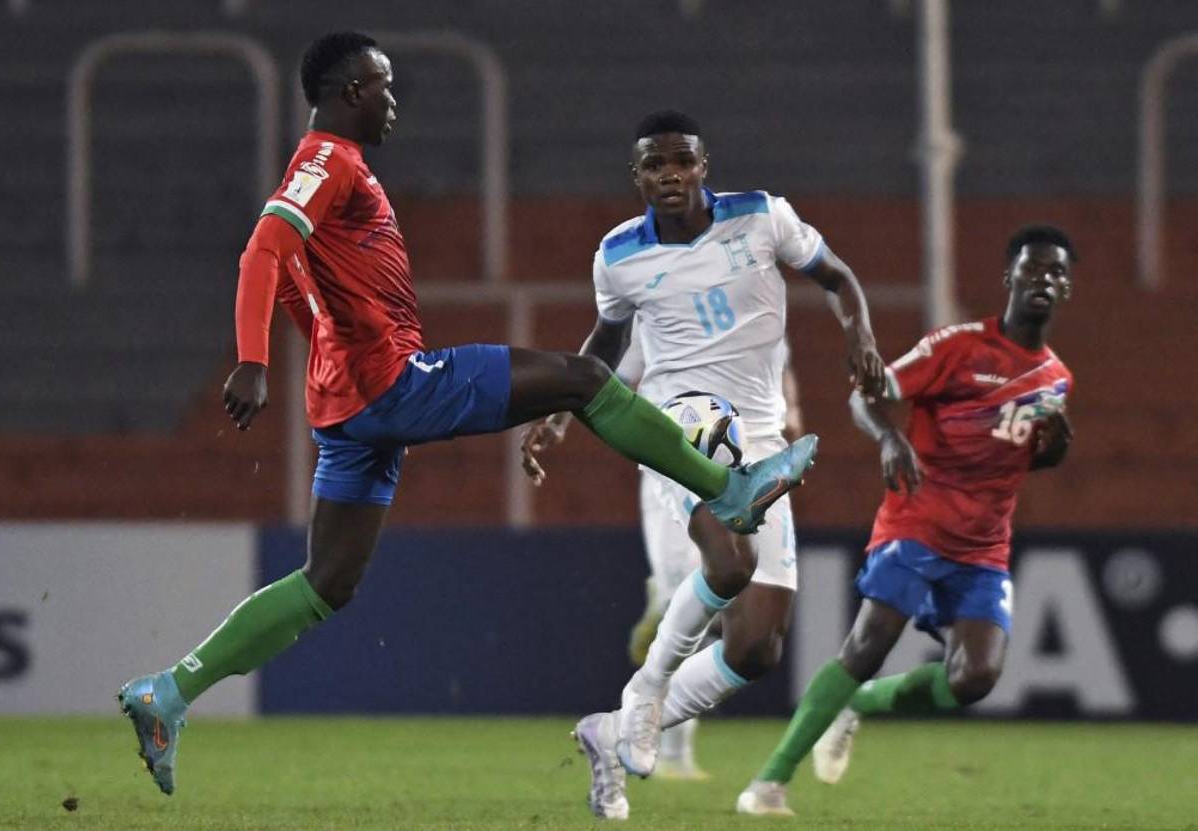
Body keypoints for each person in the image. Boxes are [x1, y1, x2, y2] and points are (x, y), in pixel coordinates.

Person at [115, 33, 815, 797]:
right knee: (583, 377)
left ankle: (169, 693)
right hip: (390, 383)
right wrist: (251, 360)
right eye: (382, 86)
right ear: (350, 89)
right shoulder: (330, 161)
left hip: (346, 402)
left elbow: (293, 265)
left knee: (327, 581)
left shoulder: (322, 169)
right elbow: (262, 250)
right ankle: (728, 487)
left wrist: (323, 344)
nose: (392, 100)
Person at [520, 109, 885, 820]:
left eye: (681, 160)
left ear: (703, 164)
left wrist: (860, 334)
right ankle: (648, 691)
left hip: (762, 436)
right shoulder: (619, 255)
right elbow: (606, 338)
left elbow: (837, 276)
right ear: (637, 177)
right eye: (654, 164)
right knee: (728, 561)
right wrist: (561, 409)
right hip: (676, 425)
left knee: (757, 646)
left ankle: (610, 728)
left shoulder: (761, 218)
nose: (669, 174)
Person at [736, 225, 1077, 816]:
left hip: (984, 548)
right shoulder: (959, 346)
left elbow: (1023, 456)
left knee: (974, 680)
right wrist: (891, 438)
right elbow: (865, 395)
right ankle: (768, 783)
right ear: (1009, 277)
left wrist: (1055, 451)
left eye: (1056, 273)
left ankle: (860, 705)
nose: (1043, 280)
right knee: (868, 642)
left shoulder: (1056, 380)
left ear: (1066, 287)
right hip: (916, 521)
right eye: (1033, 269)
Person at [619, 331, 805, 780]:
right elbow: (623, 379)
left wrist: (792, 412)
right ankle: (661, 604)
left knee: (717, 604)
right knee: (686, 599)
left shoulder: (754, 301)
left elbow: (780, 366)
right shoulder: (659, 303)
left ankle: (675, 754)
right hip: (670, 468)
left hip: (736, 468)